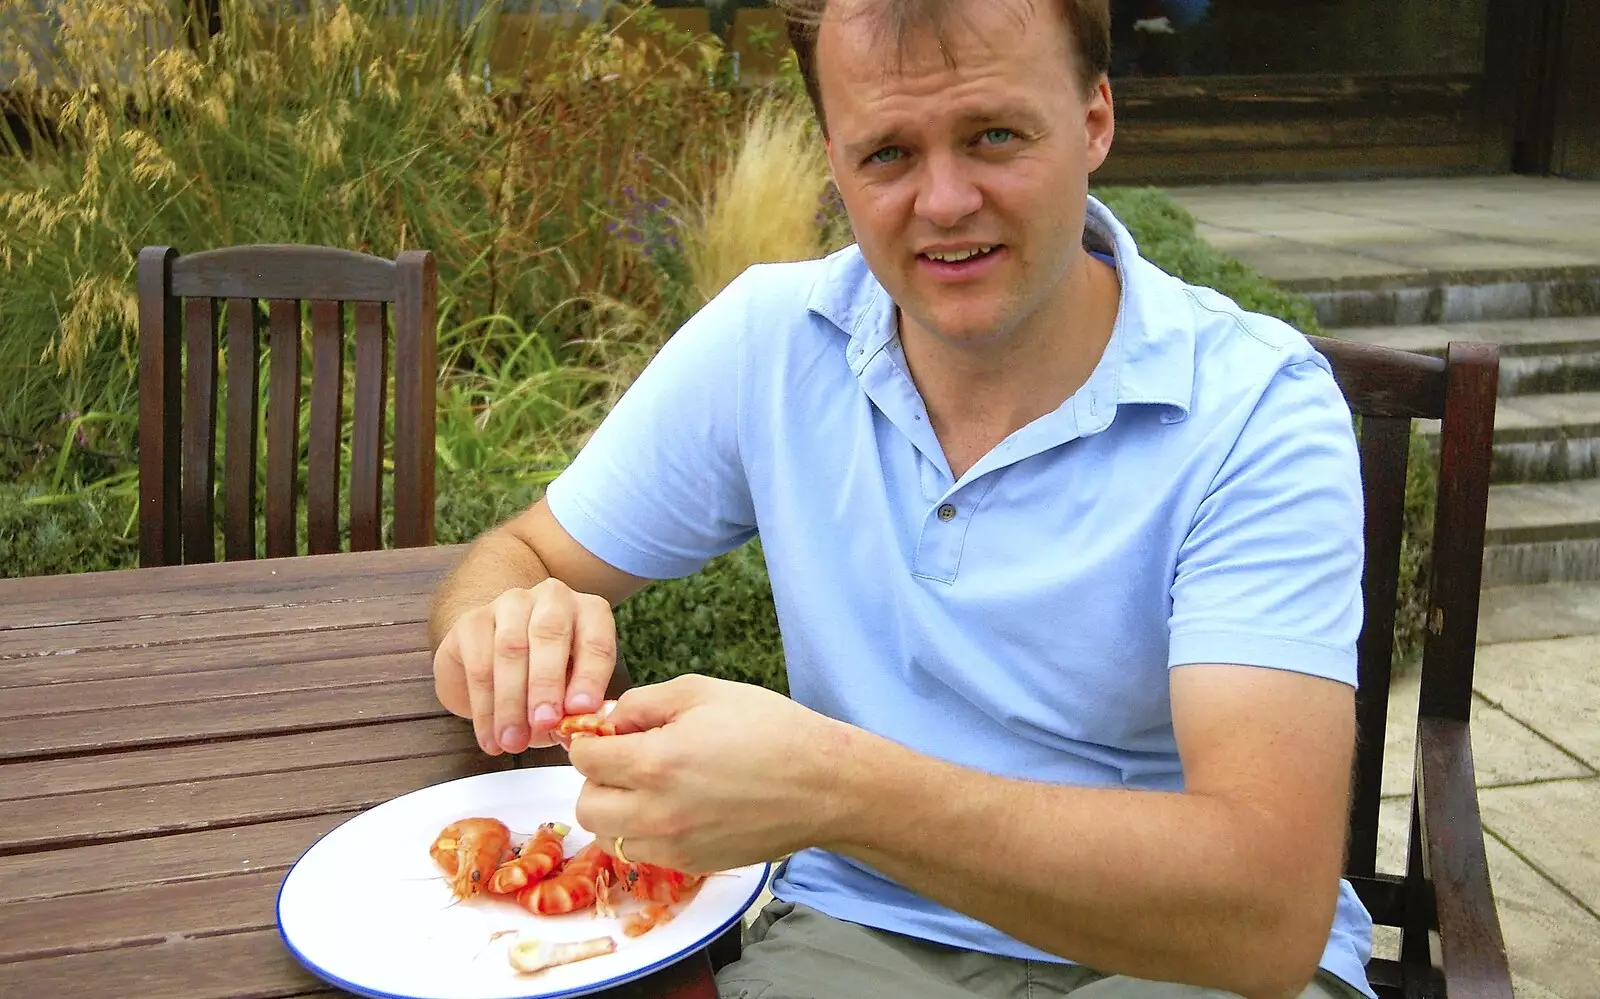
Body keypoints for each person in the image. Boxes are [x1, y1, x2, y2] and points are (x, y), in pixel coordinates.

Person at [426, 1, 1376, 997]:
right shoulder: (771, 340)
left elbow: (1263, 918)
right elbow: (521, 553)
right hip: (860, 937)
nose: (946, 200)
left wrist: (835, 790)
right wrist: (503, 628)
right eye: (886, 154)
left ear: (1095, 118)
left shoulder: (1251, 406)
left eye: (994, 135)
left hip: (1181, 955)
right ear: (834, 161)